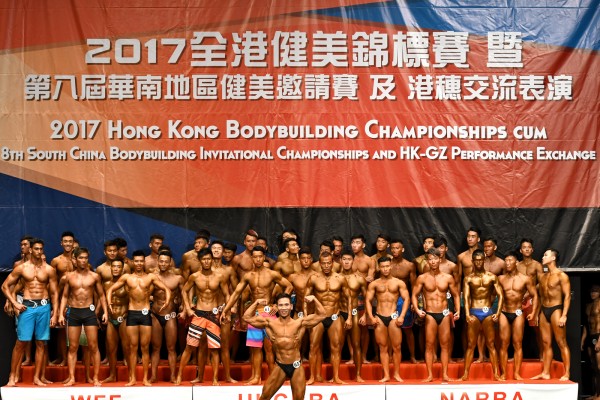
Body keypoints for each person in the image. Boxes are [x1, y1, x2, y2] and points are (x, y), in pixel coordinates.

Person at [222, 246, 293, 385]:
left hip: (269, 313)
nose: (258, 259)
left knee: (270, 349)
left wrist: (277, 305)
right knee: (255, 349)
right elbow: (236, 293)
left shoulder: (272, 274)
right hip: (255, 314)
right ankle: (256, 377)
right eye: (255, 257)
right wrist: (226, 310)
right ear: (252, 258)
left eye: (260, 256)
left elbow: (289, 286)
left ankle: (273, 378)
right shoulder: (248, 276)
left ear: (264, 257)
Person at [106, 250, 172, 386]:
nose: (139, 263)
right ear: (133, 262)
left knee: (145, 348)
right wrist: (109, 303)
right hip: (132, 313)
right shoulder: (127, 278)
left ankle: (145, 379)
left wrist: (166, 302)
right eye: (136, 261)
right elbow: (110, 290)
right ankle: (132, 378)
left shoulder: (150, 277)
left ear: (144, 262)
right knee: (132, 347)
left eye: (141, 261)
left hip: (145, 313)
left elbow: (166, 289)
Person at [243, 294, 326, 400]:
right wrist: (256, 302)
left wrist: (314, 299)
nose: (284, 308)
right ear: (277, 307)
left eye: (286, 305)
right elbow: (246, 317)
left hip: (296, 366)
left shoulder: (300, 323)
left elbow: (322, 315)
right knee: (264, 397)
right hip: (280, 366)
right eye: (281, 305)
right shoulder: (269, 323)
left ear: (291, 306)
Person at [2, 238, 59, 387]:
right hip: (27, 307)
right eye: (36, 249)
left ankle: (37, 377)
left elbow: (54, 293)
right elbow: (5, 286)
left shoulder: (49, 269)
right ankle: (12, 376)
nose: (39, 252)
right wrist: (14, 302)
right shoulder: (22, 268)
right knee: (21, 342)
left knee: (41, 343)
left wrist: (55, 313)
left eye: (41, 249)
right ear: (31, 250)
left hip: (44, 307)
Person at [176, 248, 229, 385]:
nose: (206, 261)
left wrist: (225, 311)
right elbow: (184, 290)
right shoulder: (195, 276)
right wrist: (188, 308)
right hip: (198, 314)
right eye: (204, 259)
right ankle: (179, 376)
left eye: (208, 259)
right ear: (200, 261)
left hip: (213, 315)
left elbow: (227, 294)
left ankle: (215, 379)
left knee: (214, 349)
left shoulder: (219, 276)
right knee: (190, 347)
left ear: (212, 260)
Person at [58, 247, 108, 386]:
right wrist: (61, 314)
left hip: (89, 312)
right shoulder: (69, 277)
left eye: (85, 258)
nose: (83, 260)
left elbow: (102, 295)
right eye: (81, 258)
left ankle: (96, 378)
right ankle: (72, 378)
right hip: (74, 312)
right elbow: (65, 296)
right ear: (75, 259)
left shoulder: (94, 276)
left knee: (93, 346)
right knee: (73, 347)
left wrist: (105, 312)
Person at [412, 248, 460, 382]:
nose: (433, 261)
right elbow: (414, 295)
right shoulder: (422, 278)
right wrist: (417, 310)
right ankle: (429, 375)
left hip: (444, 314)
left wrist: (458, 310)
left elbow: (456, 295)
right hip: (430, 314)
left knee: (445, 345)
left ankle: (445, 375)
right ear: (427, 261)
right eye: (430, 259)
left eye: (435, 259)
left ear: (440, 259)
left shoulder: (448, 277)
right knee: (429, 345)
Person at [305, 251, 352, 385]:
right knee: (313, 347)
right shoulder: (313, 278)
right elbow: (305, 299)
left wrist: (349, 317)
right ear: (319, 264)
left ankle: (336, 377)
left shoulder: (340, 278)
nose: (326, 266)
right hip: (318, 317)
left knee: (336, 347)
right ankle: (312, 377)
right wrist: (306, 317)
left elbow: (349, 298)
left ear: (333, 263)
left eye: (328, 263)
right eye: (323, 263)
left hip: (334, 316)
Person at [363, 256, 410, 382]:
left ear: (391, 266)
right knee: (382, 348)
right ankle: (386, 375)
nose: (385, 269)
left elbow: (407, 299)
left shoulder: (399, 283)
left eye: (387, 266)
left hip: (393, 317)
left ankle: (397, 374)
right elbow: (367, 300)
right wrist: (371, 317)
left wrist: (402, 316)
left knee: (397, 347)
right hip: (380, 317)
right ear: (379, 267)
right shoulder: (374, 284)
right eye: (383, 266)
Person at [461, 249, 503, 381]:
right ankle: (465, 374)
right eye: (476, 260)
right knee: (470, 344)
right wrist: (467, 314)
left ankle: (496, 374)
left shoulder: (492, 277)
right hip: (474, 311)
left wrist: (498, 312)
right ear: (472, 261)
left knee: (491, 344)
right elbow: (466, 298)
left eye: (480, 260)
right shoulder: (468, 278)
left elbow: (501, 295)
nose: (478, 262)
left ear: (484, 260)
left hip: (488, 312)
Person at [497, 251, 539, 380]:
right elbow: (494, 296)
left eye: (510, 260)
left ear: (516, 263)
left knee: (517, 343)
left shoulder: (525, 279)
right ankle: (503, 373)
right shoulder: (500, 278)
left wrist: (533, 312)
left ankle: (516, 373)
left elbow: (535, 295)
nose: (507, 263)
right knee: (504, 344)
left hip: (518, 312)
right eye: (506, 261)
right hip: (504, 312)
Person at [532, 248, 571, 381]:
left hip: (556, 309)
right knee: (545, 343)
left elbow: (567, 296)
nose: (543, 257)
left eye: (545, 255)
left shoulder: (562, 276)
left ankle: (567, 373)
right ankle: (546, 373)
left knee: (561, 342)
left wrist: (564, 315)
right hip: (544, 310)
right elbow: (539, 296)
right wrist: (536, 313)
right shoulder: (543, 277)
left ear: (553, 258)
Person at [150, 250, 184, 383]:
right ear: (158, 262)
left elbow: (184, 295)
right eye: (161, 261)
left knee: (171, 348)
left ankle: (173, 376)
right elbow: (144, 293)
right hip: (155, 315)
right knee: (155, 348)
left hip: (170, 315)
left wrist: (183, 307)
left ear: (170, 263)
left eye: (166, 262)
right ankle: (153, 376)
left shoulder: (177, 278)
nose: (163, 264)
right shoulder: (152, 277)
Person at [210, 241, 239, 383]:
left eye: (219, 249)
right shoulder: (204, 268)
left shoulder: (229, 270)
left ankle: (227, 376)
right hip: (207, 310)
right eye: (214, 248)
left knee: (225, 345)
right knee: (207, 346)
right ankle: (207, 377)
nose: (216, 250)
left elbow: (237, 290)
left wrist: (233, 307)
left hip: (224, 309)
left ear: (223, 252)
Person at [339, 249, 367, 381]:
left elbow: (367, 298)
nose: (346, 262)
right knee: (337, 345)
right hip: (339, 312)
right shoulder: (336, 277)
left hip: (355, 313)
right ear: (340, 260)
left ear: (353, 261)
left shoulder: (359, 279)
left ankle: (358, 375)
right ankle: (335, 376)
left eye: (349, 259)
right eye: (344, 259)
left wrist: (365, 315)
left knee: (356, 344)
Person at [389, 238, 418, 363]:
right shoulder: (386, 264)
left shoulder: (409, 265)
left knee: (408, 329)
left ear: (403, 249)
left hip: (403, 299)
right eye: (393, 248)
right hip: (389, 299)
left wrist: (413, 302)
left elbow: (414, 286)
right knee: (389, 328)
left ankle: (412, 356)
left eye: (397, 248)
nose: (395, 250)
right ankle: (390, 356)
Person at [49, 231, 75, 367]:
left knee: (79, 332)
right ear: (61, 243)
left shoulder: (79, 260)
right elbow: (52, 284)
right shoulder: (56, 261)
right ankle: (64, 358)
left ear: (73, 243)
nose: (68, 244)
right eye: (65, 241)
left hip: (76, 299)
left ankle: (78, 359)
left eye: (70, 241)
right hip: (61, 298)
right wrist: (56, 306)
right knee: (62, 332)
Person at [101, 258, 129, 383]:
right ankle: (112, 375)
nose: (116, 269)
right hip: (111, 320)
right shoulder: (106, 284)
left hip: (124, 318)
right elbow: (102, 301)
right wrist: (104, 314)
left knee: (127, 348)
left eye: (119, 267)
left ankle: (130, 375)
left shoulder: (127, 284)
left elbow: (134, 300)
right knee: (111, 349)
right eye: (114, 266)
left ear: (122, 269)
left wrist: (127, 314)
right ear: (110, 268)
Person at [516, 238, 544, 358]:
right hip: (519, 300)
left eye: (529, 247)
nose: (527, 249)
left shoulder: (537, 265)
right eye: (524, 247)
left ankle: (542, 354)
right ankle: (518, 356)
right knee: (518, 328)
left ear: (532, 250)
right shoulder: (517, 265)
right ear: (520, 250)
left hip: (533, 299)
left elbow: (541, 282)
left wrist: (529, 292)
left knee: (537, 328)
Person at [582, 285, 600, 399]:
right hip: (590, 336)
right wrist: (583, 340)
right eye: (592, 291)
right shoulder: (588, 306)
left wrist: (599, 341)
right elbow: (586, 324)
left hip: (598, 335)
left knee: (599, 366)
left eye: (596, 291)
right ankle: (596, 394)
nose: (593, 293)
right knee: (594, 367)